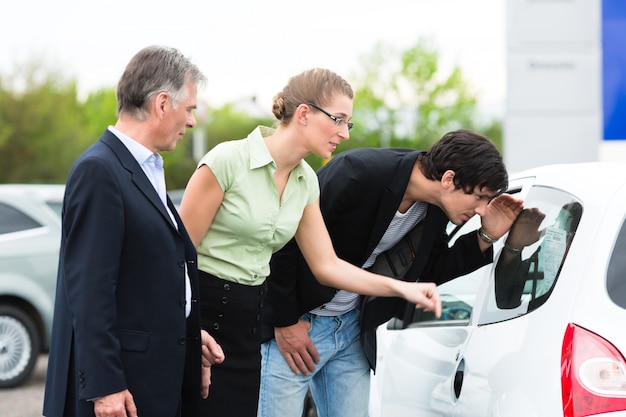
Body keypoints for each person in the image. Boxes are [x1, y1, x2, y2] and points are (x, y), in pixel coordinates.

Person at [178, 68, 442, 417]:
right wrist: (187, 328)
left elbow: (327, 265)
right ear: (303, 113)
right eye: (338, 120)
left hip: (249, 329)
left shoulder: (306, 182)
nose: (345, 134)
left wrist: (402, 289)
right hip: (202, 323)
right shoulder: (228, 161)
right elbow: (177, 257)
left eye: (349, 123)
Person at [259, 130, 524, 417]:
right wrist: (285, 322)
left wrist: (486, 236)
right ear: (448, 179)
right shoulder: (357, 173)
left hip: (351, 330)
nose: (483, 210)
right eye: (480, 197)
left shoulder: (436, 209)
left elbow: (428, 271)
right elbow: (282, 239)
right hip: (300, 327)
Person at [43, 45, 224, 417]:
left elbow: (147, 273)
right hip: (123, 388)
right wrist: (105, 386)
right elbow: (90, 292)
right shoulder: (99, 171)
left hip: (154, 376)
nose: (192, 121)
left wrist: (189, 335)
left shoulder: (148, 168)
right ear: (161, 104)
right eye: (189, 109)